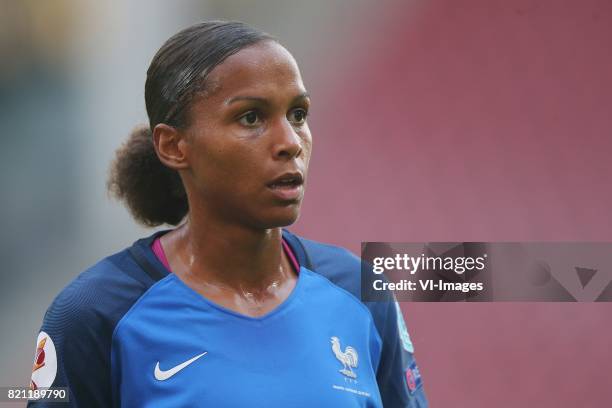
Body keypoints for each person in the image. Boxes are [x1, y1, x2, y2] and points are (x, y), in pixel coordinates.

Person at [28, 20, 428, 407]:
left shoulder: (358, 292)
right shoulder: (95, 315)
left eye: (298, 115)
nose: (290, 142)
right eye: (251, 117)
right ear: (173, 146)